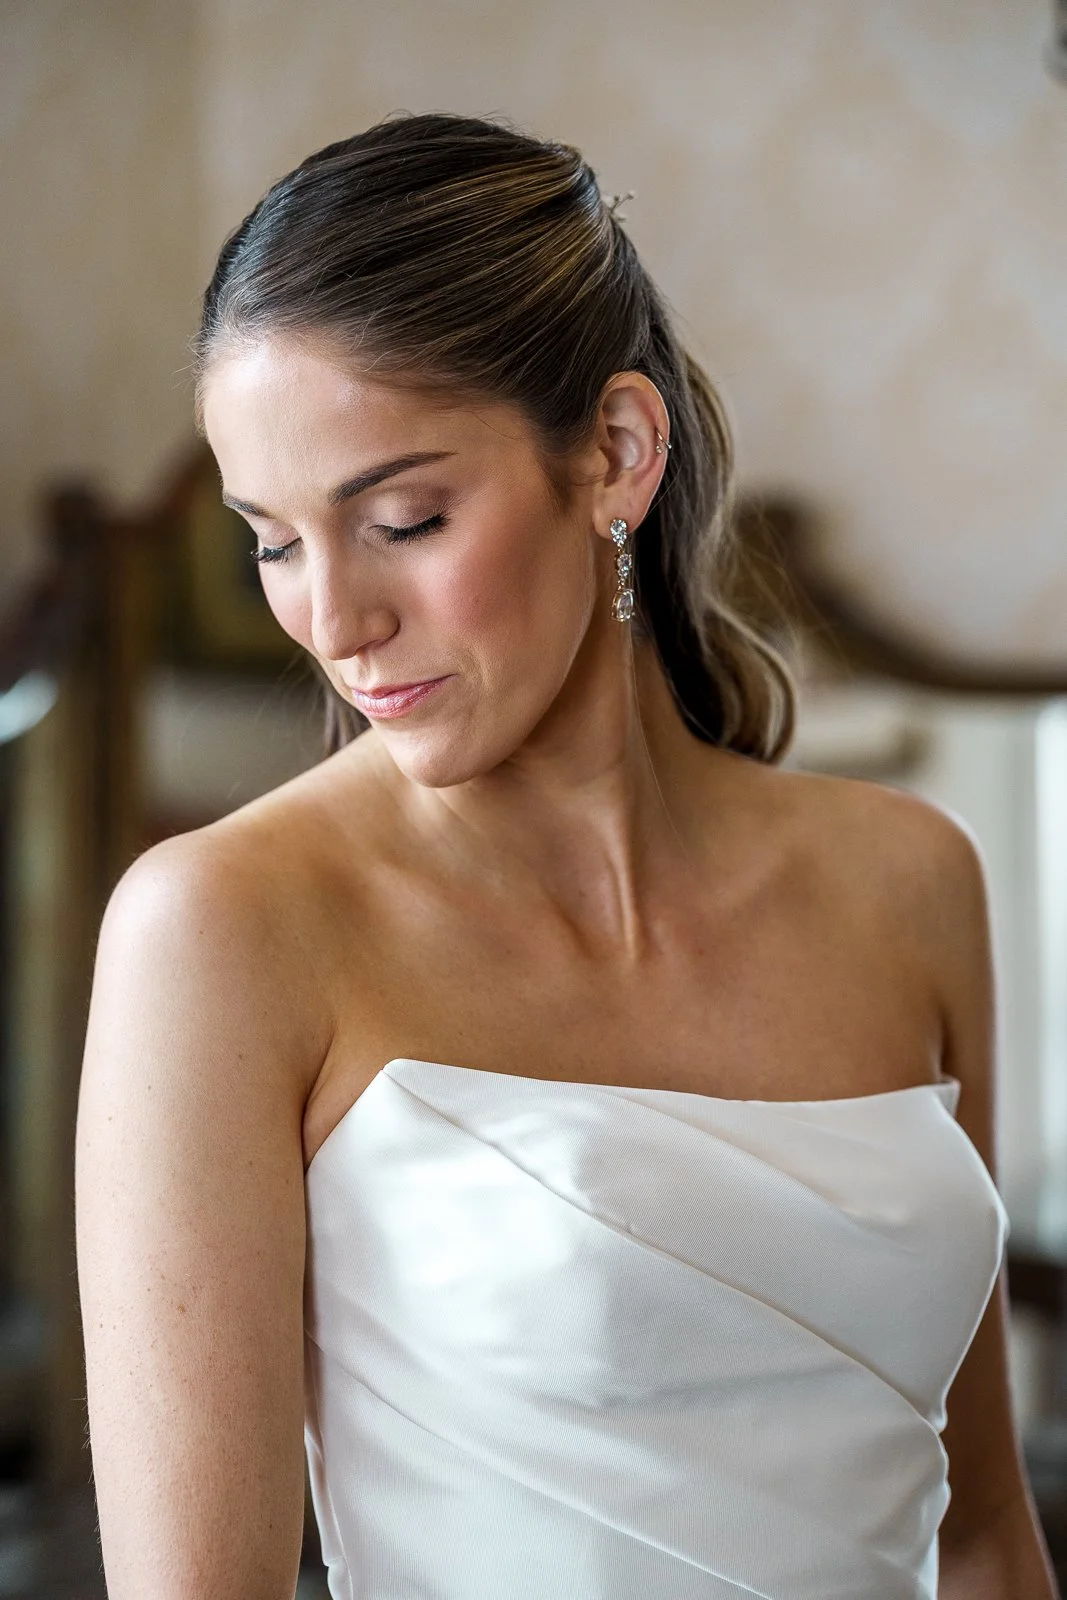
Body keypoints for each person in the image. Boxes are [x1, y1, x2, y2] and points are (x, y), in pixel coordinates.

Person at [75, 112, 1055, 1599]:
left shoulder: (909, 880)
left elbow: (979, 1528)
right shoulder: (223, 927)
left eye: (402, 518)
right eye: (271, 542)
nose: (331, 622)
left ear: (612, 452)